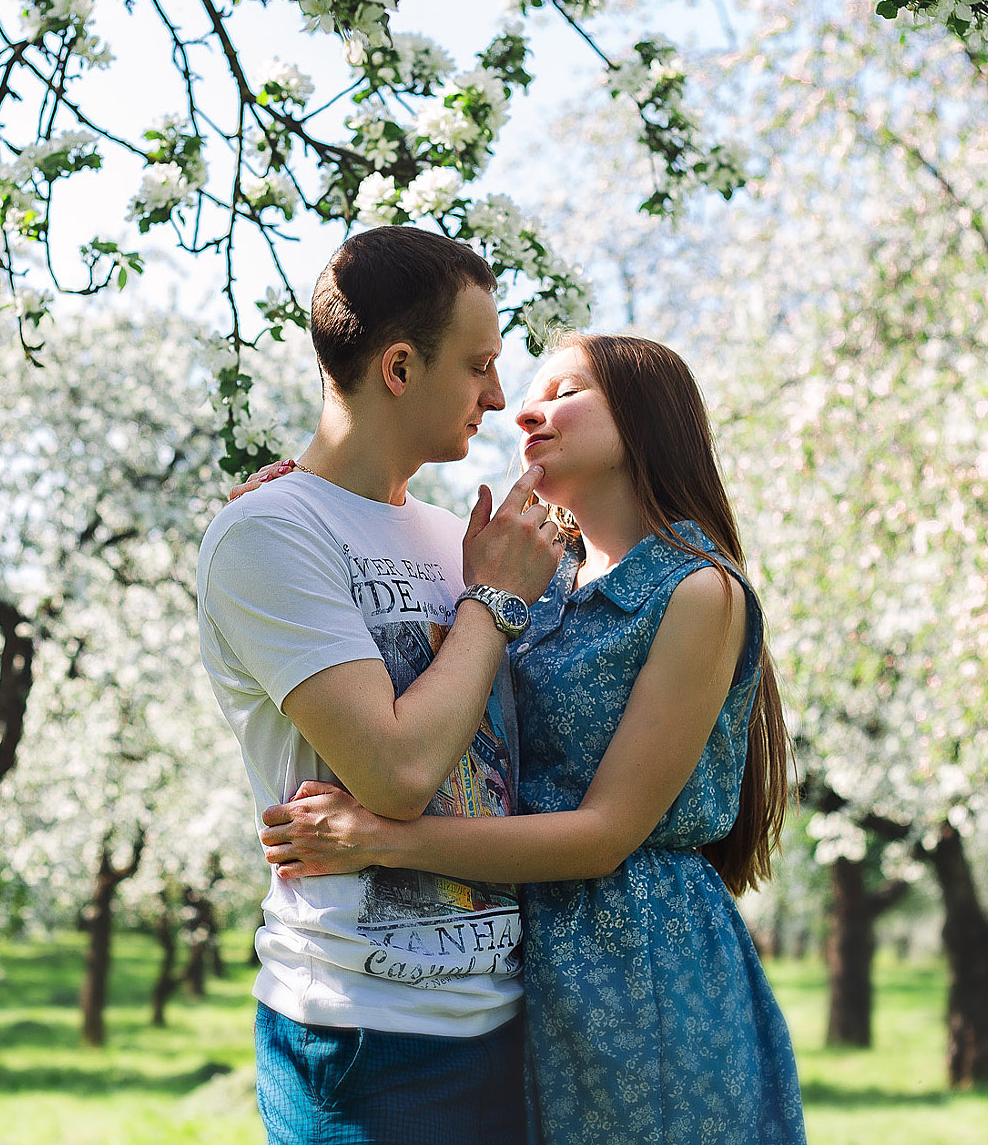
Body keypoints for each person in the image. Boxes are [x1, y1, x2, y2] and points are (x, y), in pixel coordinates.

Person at [256, 332, 807, 1145]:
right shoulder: (538, 575)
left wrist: (379, 838)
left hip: (641, 963)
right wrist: (297, 495)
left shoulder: (699, 590)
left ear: (646, 417)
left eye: (566, 391)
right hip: (526, 962)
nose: (524, 408)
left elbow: (604, 834)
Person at [196, 226, 566, 1144]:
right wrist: (490, 603)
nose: (497, 394)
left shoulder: (456, 538)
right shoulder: (268, 534)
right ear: (399, 367)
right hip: (364, 1037)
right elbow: (397, 771)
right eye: (479, 364)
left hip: (510, 1021)